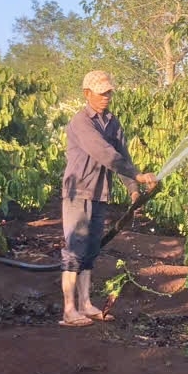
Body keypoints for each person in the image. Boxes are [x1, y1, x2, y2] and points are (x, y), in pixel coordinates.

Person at [58, 70, 158, 327]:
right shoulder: (81, 122)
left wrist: (132, 187)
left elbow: (122, 155)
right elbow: (104, 153)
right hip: (78, 191)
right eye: (101, 93)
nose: (106, 97)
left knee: (91, 251)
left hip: (100, 194)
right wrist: (137, 175)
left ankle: (86, 304)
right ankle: (69, 310)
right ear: (87, 94)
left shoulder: (112, 123)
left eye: (109, 92)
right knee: (74, 250)